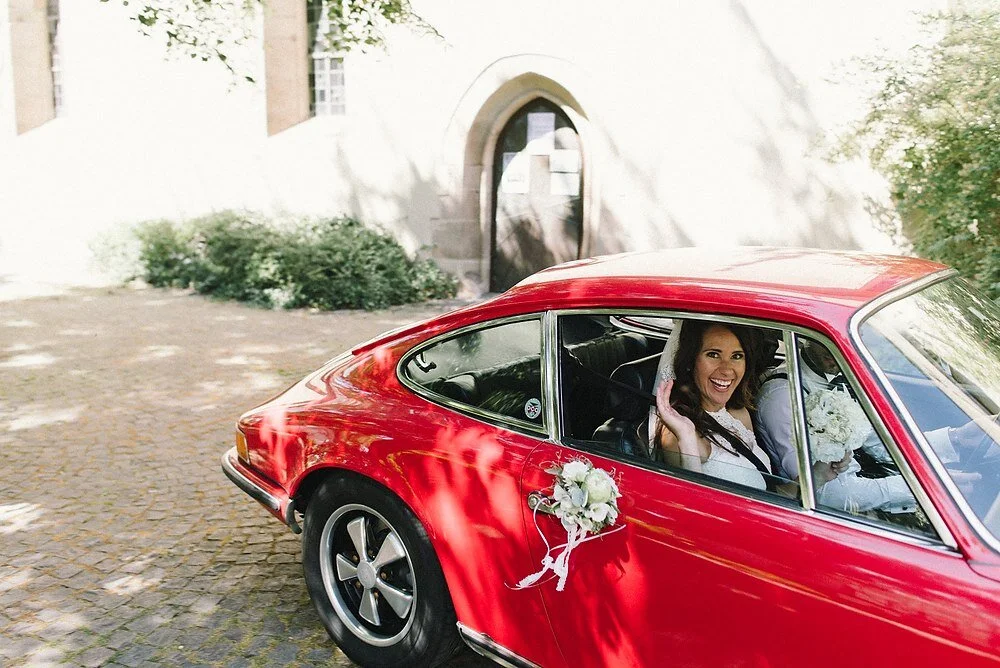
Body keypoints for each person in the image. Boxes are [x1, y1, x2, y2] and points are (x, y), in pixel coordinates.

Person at [755, 338, 981, 515]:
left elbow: (880, 443)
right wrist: (922, 487)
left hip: (866, 490)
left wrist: (955, 438)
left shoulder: (838, 379)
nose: (838, 354)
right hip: (833, 514)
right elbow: (823, 492)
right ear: (806, 339)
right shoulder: (782, 398)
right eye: (828, 345)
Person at [650, 320, 798, 492]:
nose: (727, 370)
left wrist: (818, 475)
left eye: (736, 356)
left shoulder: (739, 413)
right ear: (690, 361)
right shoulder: (676, 434)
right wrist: (686, 437)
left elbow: (767, 496)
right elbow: (694, 503)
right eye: (713, 354)